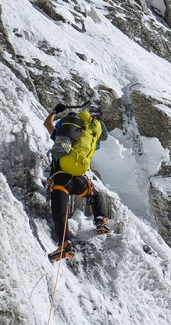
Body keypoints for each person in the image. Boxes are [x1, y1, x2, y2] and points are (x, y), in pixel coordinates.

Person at [44, 103, 109, 261]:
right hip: (78, 180)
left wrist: (56, 111)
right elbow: (97, 143)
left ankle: (64, 244)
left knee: (59, 210)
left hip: (61, 179)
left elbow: (47, 124)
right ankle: (101, 220)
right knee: (95, 194)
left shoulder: (62, 138)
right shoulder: (89, 141)